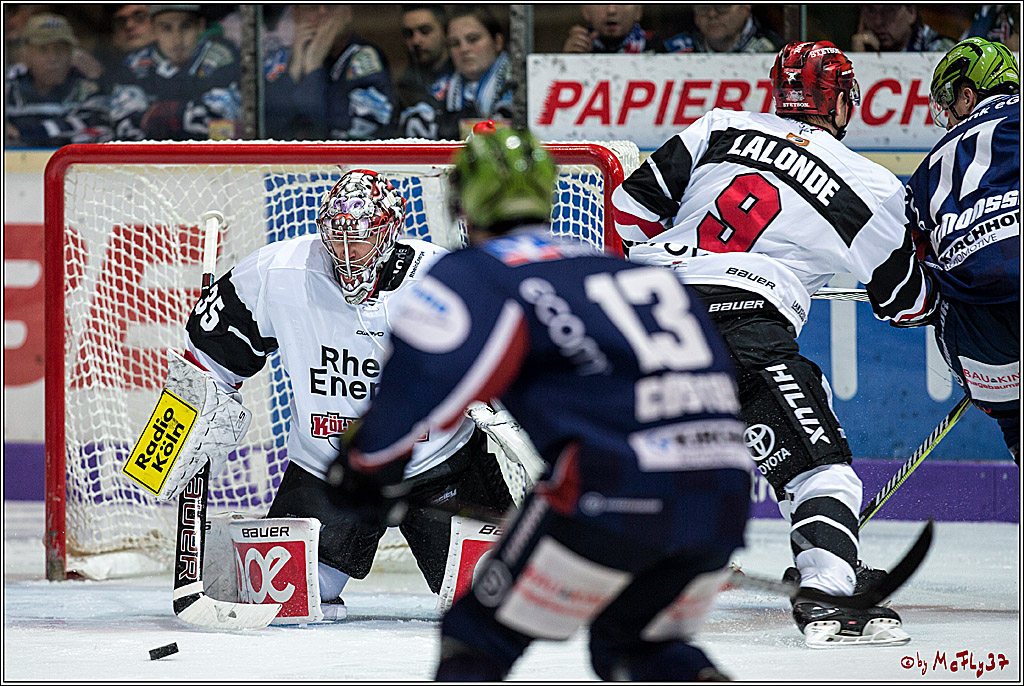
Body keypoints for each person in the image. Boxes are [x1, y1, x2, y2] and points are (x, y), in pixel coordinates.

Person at [324, 129, 752, 680]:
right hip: (724, 492)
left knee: (475, 637)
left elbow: (417, 390)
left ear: (461, 201)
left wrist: (363, 467)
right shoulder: (632, 271)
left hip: (613, 487)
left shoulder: (476, 272)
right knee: (635, 646)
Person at [611, 41, 938, 647]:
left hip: (646, 318)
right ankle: (829, 594)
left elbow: (628, 212)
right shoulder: (870, 185)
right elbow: (907, 303)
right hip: (745, 325)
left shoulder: (719, 126)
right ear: (843, 101)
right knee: (821, 475)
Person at [183, 169, 515, 619]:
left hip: (440, 469)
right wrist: (175, 437)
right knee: (284, 607)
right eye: (335, 238)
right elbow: (204, 360)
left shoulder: (444, 279)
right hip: (329, 469)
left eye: (358, 240)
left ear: (390, 232)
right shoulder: (277, 272)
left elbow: (515, 357)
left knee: (500, 604)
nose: (345, 254)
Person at [906, 38, 1020, 464]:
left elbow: (908, 267)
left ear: (968, 95)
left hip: (977, 348)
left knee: (1011, 413)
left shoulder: (923, 174)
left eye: (949, 102)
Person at [263, 4, 397, 141]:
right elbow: (265, 129)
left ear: (347, 13)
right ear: (296, 14)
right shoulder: (282, 59)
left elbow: (348, 132)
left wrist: (314, 67)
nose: (322, 13)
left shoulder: (363, 57)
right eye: (311, 7)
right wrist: (293, 69)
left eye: (331, 6)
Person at [108, 5, 241, 140]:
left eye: (186, 27)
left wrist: (153, 117)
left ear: (200, 26)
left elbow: (225, 128)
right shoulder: (134, 65)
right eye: (166, 28)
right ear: (154, 30)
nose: (177, 40)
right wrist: (189, 116)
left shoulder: (222, 57)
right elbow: (125, 128)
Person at [399, 7, 511, 140]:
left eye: (473, 39)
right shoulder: (440, 89)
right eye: (454, 43)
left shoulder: (519, 82)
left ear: (497, 42)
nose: (464, 49)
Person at [5, 13, 112, 147]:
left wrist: (23, 134)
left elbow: (98, 129)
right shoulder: (9, 83)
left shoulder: (87, 88)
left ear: (71, 54)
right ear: (27, 53)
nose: (53, 58)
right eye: (43, 49)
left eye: (59, 49)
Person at [395, 5, 454, 139]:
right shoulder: (403, 85)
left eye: (425, 31)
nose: (416, 41)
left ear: (445, 32)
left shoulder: (463, 78)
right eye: (409, 34)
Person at [665, 4, 781, 53]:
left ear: (746, 7)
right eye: (703, 6)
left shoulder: (775, 52)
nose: (712, 14)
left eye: (723, 6)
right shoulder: (674, 50)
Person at [561, 4, 665, 54]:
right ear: (585, 11)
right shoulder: (577, 48)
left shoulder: (659, 49)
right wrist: (568, 62)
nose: (611, 10)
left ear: (638, 11)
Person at [851, 4, 956, 53]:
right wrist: (861, 59)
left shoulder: (940, 51)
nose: (878, 22)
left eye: (889, 11)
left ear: (911, 13)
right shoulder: (865, 47)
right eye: (870, 11)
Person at [96, 4, 154, 79]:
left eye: (140, 17)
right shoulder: (102, 79)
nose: (129, 25)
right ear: (113, 37)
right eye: (120, 22)